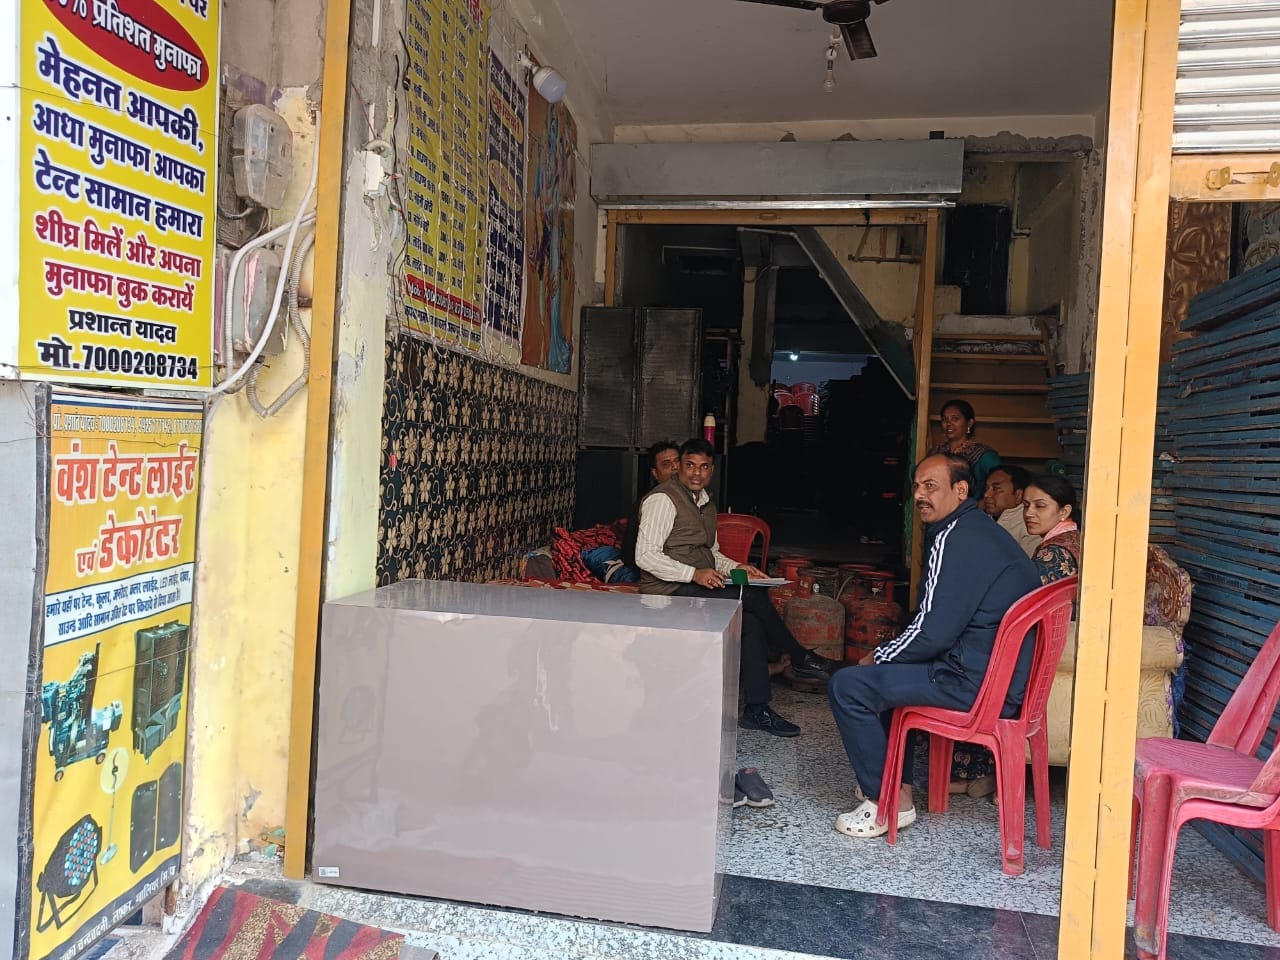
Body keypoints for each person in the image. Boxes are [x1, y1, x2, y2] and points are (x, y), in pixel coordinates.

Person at [826, 453, 1041, 838]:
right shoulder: (981, 531)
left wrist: (878, 655)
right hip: (1000, 680)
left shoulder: (953, 538)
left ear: (960, 490)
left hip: (974, 683)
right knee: (890, 676)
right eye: (916, 487)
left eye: (931, 486)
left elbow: (933, 632)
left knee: (849, 685)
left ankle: (886, 803)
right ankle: (898, 786)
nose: (919, 496)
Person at [634, 438, 839, 737]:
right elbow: (644, 555)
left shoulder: (705, 503)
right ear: (679, 467)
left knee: (751, 622)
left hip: (692, 587)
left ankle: (757, 709)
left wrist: (737, 567)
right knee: (751, 596)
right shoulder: (662, 500)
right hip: (667, 594)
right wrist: (693, 574)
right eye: (690, 465)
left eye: (704, 467)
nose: (696, 473)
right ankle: (799, 657)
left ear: (712, 470)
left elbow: (712, 554)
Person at [620, 440, 682, 569]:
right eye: (666, 464)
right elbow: (636, 555)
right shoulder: (655, 501)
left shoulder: (693, 497)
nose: (675, 467)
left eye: (678, 461)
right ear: (655, 473)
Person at [928, 399, 1001, 501]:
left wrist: (980, 505)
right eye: (945, 419)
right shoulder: (935, 453)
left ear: (969, 423)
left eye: (955, 418)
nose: (948, 423)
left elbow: (1000, 485)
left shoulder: (985, 455)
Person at [1024, 475, 1081, 584]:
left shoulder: (1055, 553)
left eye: (1040, 506)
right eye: (1026, 505)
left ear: (1064, 512)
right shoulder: (1074, 536)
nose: (1028, 513)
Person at [982, 464, 1041, 557]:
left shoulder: (1030, 527)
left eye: (996, 489)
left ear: (1018, 495)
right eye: (986, 488)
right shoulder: (981, 518)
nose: (986, 494)